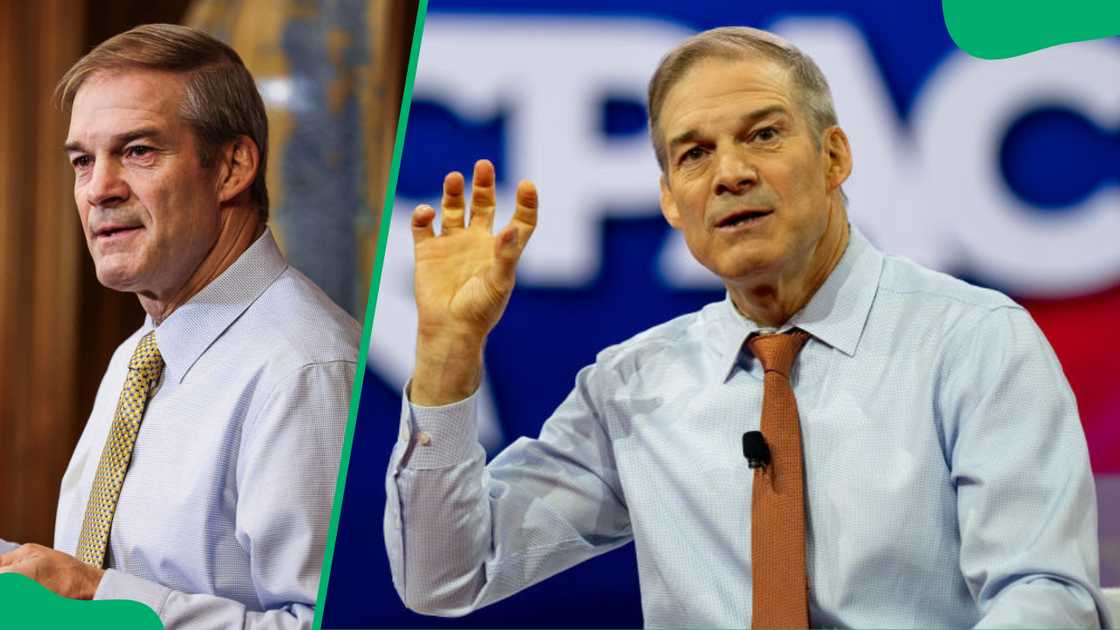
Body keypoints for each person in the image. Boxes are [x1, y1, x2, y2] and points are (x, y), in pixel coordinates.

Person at [385, 26, 1109, 628]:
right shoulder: (633, 387)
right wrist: (448, 353)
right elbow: (445, 575)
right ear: (672, 202)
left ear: (835, 157)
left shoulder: (975, 341)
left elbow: (1042, 597)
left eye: (762, 134)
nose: (729, 174)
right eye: (694, 153)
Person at [0, 24, 359, 629]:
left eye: (138, 151)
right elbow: (96, 581)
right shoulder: (140, 353)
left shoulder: (305, 370)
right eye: (83, 161)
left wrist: (99, 597)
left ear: (232, 167)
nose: (99, 190)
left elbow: (330, 622)